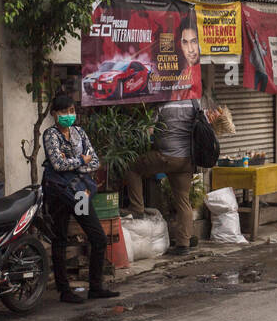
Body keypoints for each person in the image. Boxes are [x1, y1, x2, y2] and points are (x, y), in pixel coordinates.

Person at [41, 92, 117, 302]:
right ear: (55, 114)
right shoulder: (50, 135)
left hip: (80, 192)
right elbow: (57, 164)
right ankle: (64, 291)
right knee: (60, 239)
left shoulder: (80, 133)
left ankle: (95, 286)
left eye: (71, 111)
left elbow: (94, 162)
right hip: (58, 193)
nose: (69, 115)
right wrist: (81, 160)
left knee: (98, 237)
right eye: (64, 111)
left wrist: (75, 162)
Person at [125, 96, 223, 255]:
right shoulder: (193, 102)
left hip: (165, 157)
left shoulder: (162, 103)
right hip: (186, 160)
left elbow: (147, 130)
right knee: (183, 201)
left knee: (131, 168)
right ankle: (183, 244)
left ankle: (137, 208)